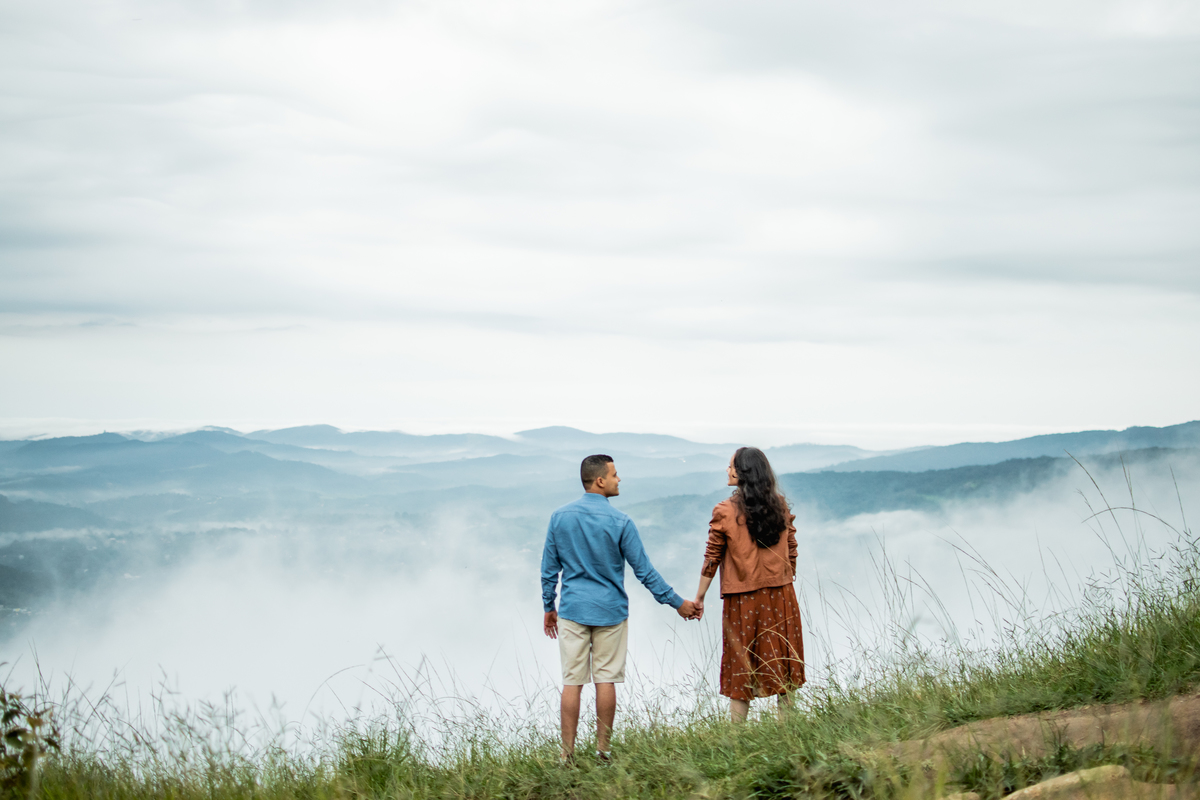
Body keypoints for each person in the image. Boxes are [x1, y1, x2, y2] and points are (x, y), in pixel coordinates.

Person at [542, 454, 698, 762]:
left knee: (572, 682)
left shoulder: (559, 517)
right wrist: (678, 603)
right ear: (600, 481)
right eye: (615, 474)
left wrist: (549, 606)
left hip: (572, 610)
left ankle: (566, 756)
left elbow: (549, 569)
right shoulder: (621, 522)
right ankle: (603, 752)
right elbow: (645, 572)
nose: (619, 479)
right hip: (610, 612)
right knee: (606, 680)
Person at [691, 446, 805, 722]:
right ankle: (789, 731)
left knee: (741, 666)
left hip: (742, 599)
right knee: (784, 662)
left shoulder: (724, 511)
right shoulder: (779, 505)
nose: (728, 470)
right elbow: (791, 549)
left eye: (731, 466)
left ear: (743, 472)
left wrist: (699, 597)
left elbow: (712, 557)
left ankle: (736, 737)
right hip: (781, 594)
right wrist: (782, 576)